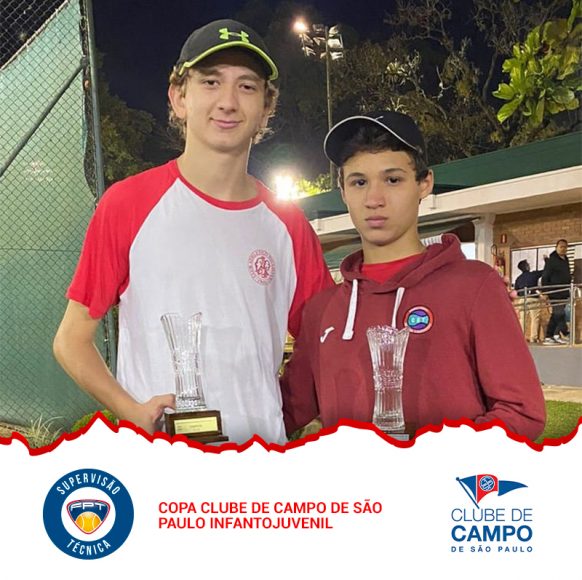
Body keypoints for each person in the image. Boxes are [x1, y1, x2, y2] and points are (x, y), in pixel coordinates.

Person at [53, 19, 332, 444]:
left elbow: (323, 346)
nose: (228, 102)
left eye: (247, 86)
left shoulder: (288, 225)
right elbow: (71, 340)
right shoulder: (128, 204)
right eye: (210, 82)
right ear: (179, 97)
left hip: (259, 463)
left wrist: (279, 415)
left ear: (266, 108)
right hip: (163, 463)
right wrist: (131, 411)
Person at [281, 110, 546, 441]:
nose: (374, 199)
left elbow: (521, 411)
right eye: (359, 182)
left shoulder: (475, 286)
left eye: (393, 180)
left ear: (424, 184)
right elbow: (284, 411)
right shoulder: (322, 311)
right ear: (343, 192)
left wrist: (429, 461)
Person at [542, 239, 571, 345]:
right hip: (555, 292)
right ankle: (555, 334)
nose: (563, 249)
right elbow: (545, 277)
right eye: (561, 247)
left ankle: (552, 335)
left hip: (564, 292)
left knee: (557, 314)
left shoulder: (566, 260)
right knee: (559, 313)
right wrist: (545, 292)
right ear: (556, 247)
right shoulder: (552, 261)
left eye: (565, 247)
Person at [513, 259, 544, 342]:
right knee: (535, 318)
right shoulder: (533, 274)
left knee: (522, 319)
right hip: (533, 298)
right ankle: (533, 338)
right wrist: (546, 260)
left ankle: (521, 337)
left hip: (522, 299)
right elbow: (544, 271)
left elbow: (516, 291)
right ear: (527, 267)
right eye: (528, 264)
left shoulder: (518, 278)